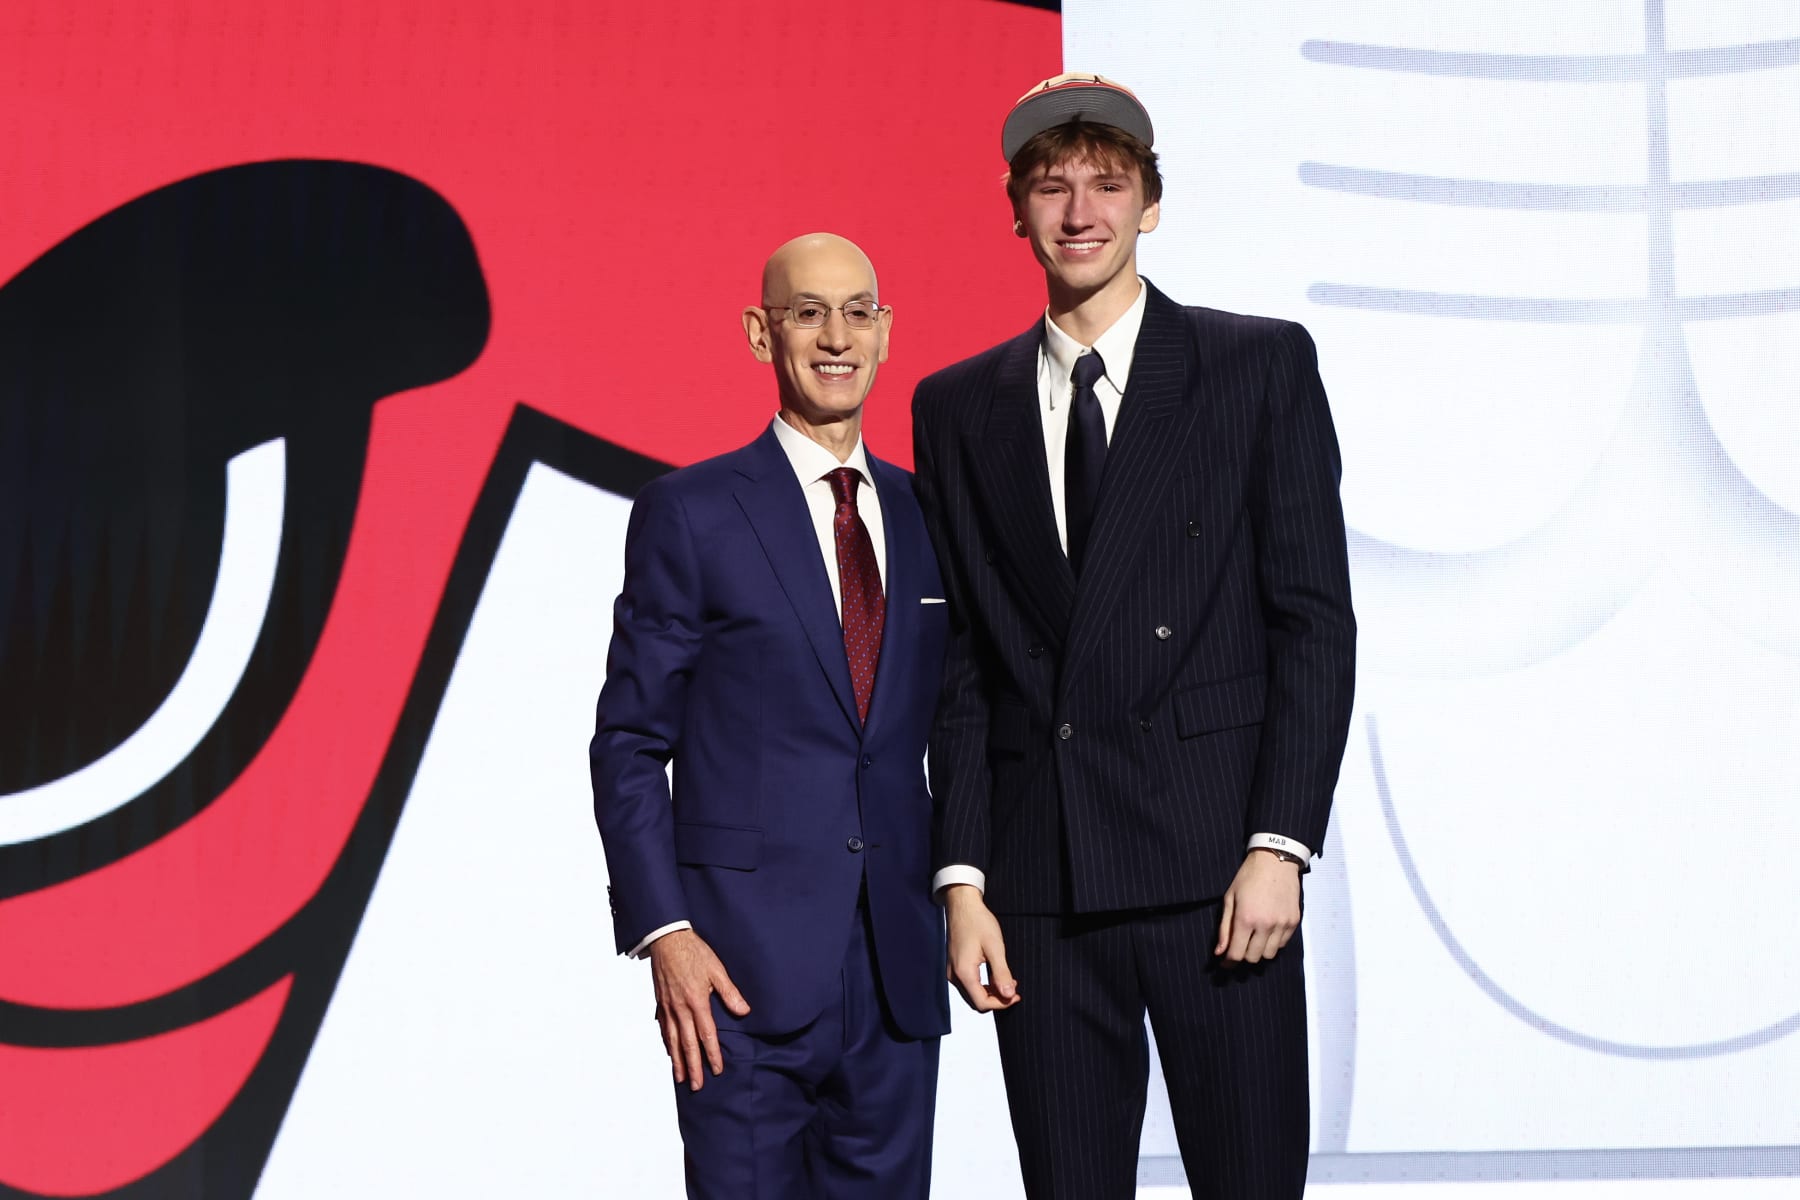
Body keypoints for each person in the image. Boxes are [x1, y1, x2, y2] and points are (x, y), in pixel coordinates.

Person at [910, 74, 1356, 1198]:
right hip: (1043, 886)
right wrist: (962, 879)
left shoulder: (1255, 366)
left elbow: (1312, 623)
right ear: (1014, 209)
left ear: (1151, 204)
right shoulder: (959, 405)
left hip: (1219, 875)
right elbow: (966, 658)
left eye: (1108, 184)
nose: (1079, 212)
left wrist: (1279, 846)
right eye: (1051, 187)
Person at [591, 233, 950, 1199]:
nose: (836, 337)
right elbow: (629, 743)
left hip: (896, 982)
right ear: (762, 333)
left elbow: (959, 727)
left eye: (857, 312)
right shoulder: (691, 512)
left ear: (884, 333)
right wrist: (665, 933)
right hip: (737, 982)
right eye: (807, 312)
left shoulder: (934, 517)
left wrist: (964, 889)